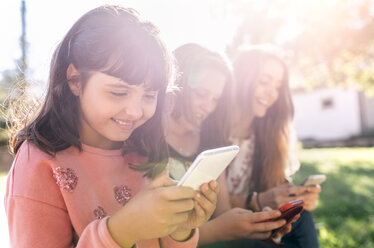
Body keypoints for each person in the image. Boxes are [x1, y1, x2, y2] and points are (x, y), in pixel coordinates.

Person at [4, 6, 219, 248]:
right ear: (75, 80)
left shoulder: (144, 152)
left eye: (149, 96)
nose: (135, 111)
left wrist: (181, 230)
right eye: (119, 92)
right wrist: (123, 229)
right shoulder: (40, 162)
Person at [164, 43, 290, 248]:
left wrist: (254, 222)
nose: (208, 107)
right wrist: (217, 231)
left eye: (215, 99)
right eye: (201, 94)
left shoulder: (209, 142)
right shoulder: (147, 139)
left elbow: (223, 212)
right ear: (176, 83)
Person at [227, 45, 321, 248]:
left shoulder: (267, 134)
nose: (272, 94)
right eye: (264, 82)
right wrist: (257, 200)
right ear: (242, 80)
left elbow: (274, 186)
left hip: (260, 220)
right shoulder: (216, 130)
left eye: (278, 86)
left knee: (303, 217)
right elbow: (215, 209)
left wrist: (295, 195)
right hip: (226, 226)